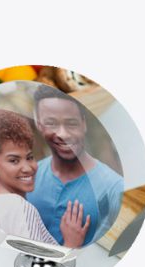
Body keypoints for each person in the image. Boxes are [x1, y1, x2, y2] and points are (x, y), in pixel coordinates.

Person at [0, 109, 90, 247]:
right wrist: (72, 243)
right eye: (14, 160)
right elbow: (37, 263)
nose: (28, 168)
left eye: (29, 157)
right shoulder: (20, 207)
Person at [26, 85, 124, 246]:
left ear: (83, 124)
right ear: (39, 124)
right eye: (51, 123)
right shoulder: (29, 178)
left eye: (71, 123)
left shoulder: (114, 189)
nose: (63, 134)